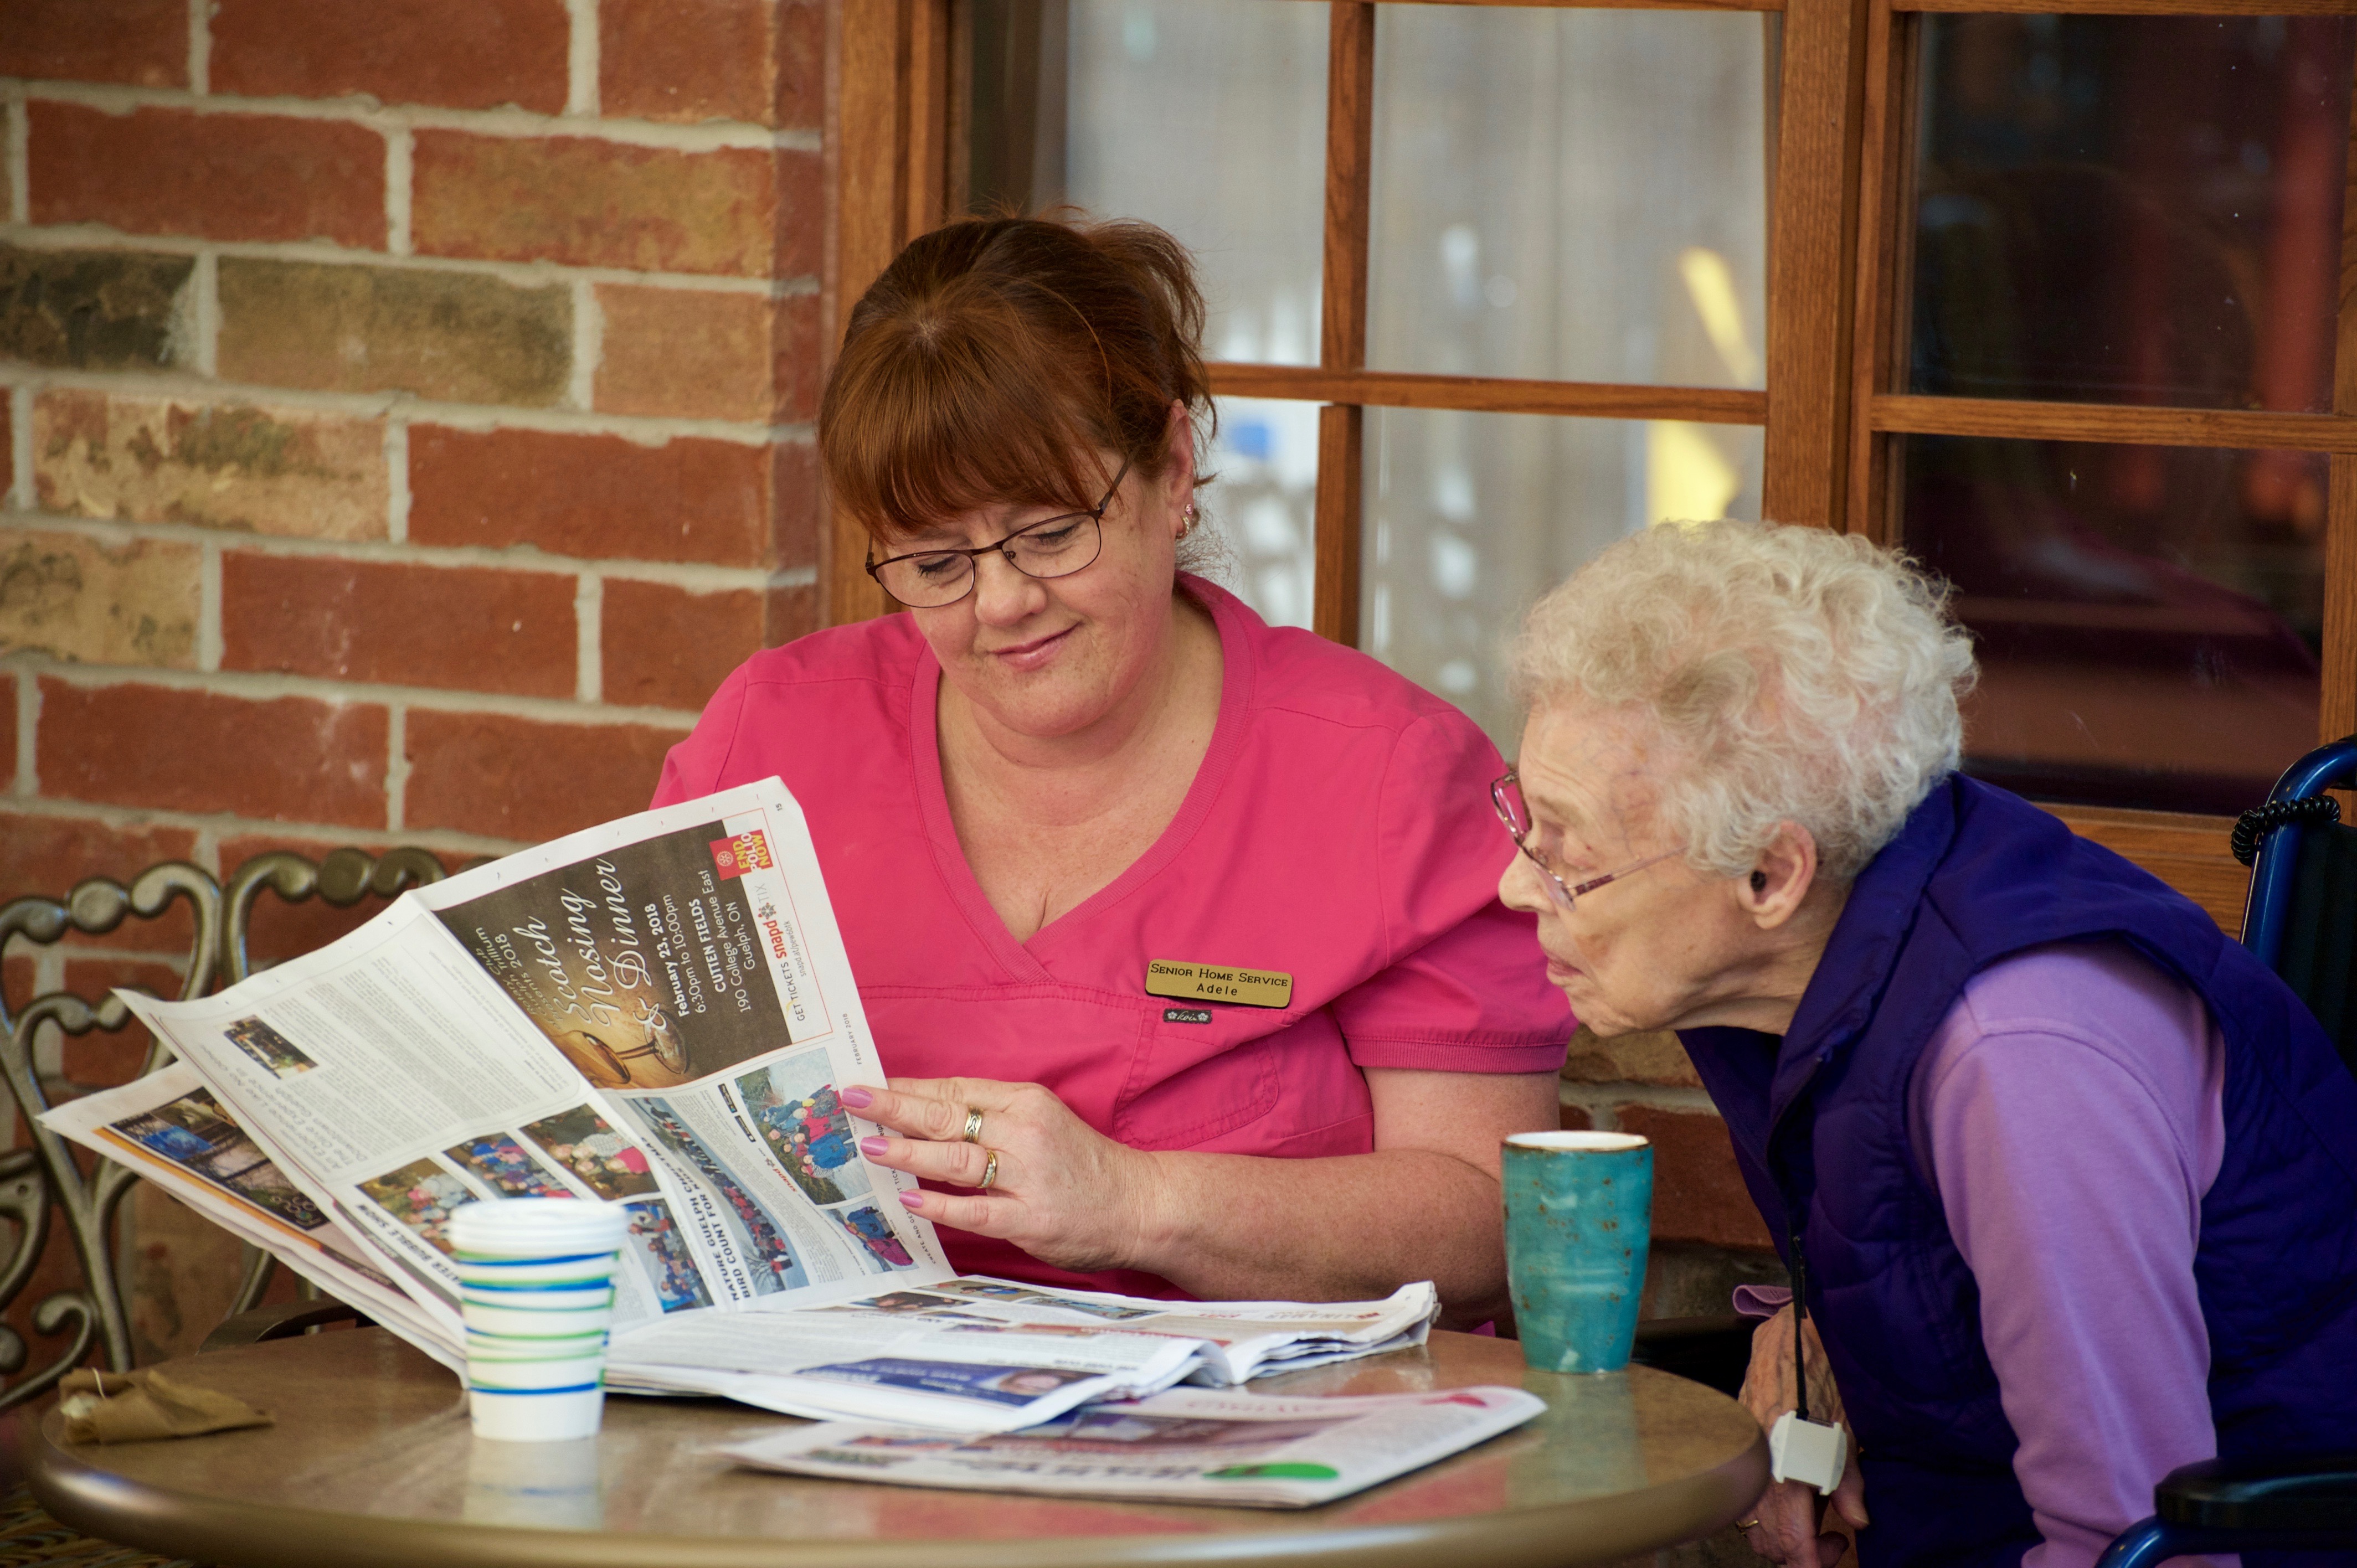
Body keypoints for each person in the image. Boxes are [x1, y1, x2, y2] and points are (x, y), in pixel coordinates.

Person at [651, 213, 1569, 1323]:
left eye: (1048, 535)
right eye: (934, 562)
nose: (1000, 604)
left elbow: (1494, 1220)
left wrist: (1135, 1203)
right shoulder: (774, 735)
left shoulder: (1386, 777)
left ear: (1172, 471)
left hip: (1249, 1447)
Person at [1494, 519, 2357, 1568]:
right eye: (1522, 824)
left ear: (1772, 875)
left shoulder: (2021, 1059)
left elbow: (2135, 1543)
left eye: (1569, 850)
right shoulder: (1817, 945)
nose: (1515, 885)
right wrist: (1812, 1332)